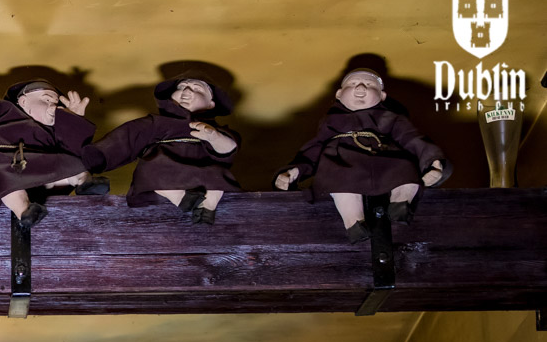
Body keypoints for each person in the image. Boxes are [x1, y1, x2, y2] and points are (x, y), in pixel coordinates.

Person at [274, 69, 449, 241]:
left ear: (382, 96)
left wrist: (433, 162)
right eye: (352, 83)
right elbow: (314, 149)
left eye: (369, 84)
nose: (360, 88)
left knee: (405, 168)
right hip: (342, 162)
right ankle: (353, 221)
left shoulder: (392, 118)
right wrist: (295, 171)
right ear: (339, 94)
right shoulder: (330, 122)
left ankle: (401, 202)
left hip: (384, 156)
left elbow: (412, 139)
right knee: (338, 182)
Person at [0, 79, 108, 228]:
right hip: (10, 163)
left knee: (73, 163)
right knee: (7, 185)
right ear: (23, 101)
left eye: (55, 102)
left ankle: (84, 182)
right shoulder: (2, 109)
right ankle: (24, 210)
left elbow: (72, 149)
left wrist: (73, 120)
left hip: (45, 168)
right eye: (47, 100)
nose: (53, 105)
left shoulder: (54, 130)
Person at [84, 74, 240, 224]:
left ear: (211, 104)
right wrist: (93, 159)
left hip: (201, 176)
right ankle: (182, 198)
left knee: (217, 174)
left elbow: (229, 149)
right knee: (151, 169)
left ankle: (209, 203)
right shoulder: (156, 123)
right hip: (163, 174)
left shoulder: (215, 130)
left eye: (197, 89)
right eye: (181, 87)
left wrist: (214, 137)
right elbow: (127, 136)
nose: (187, 91)